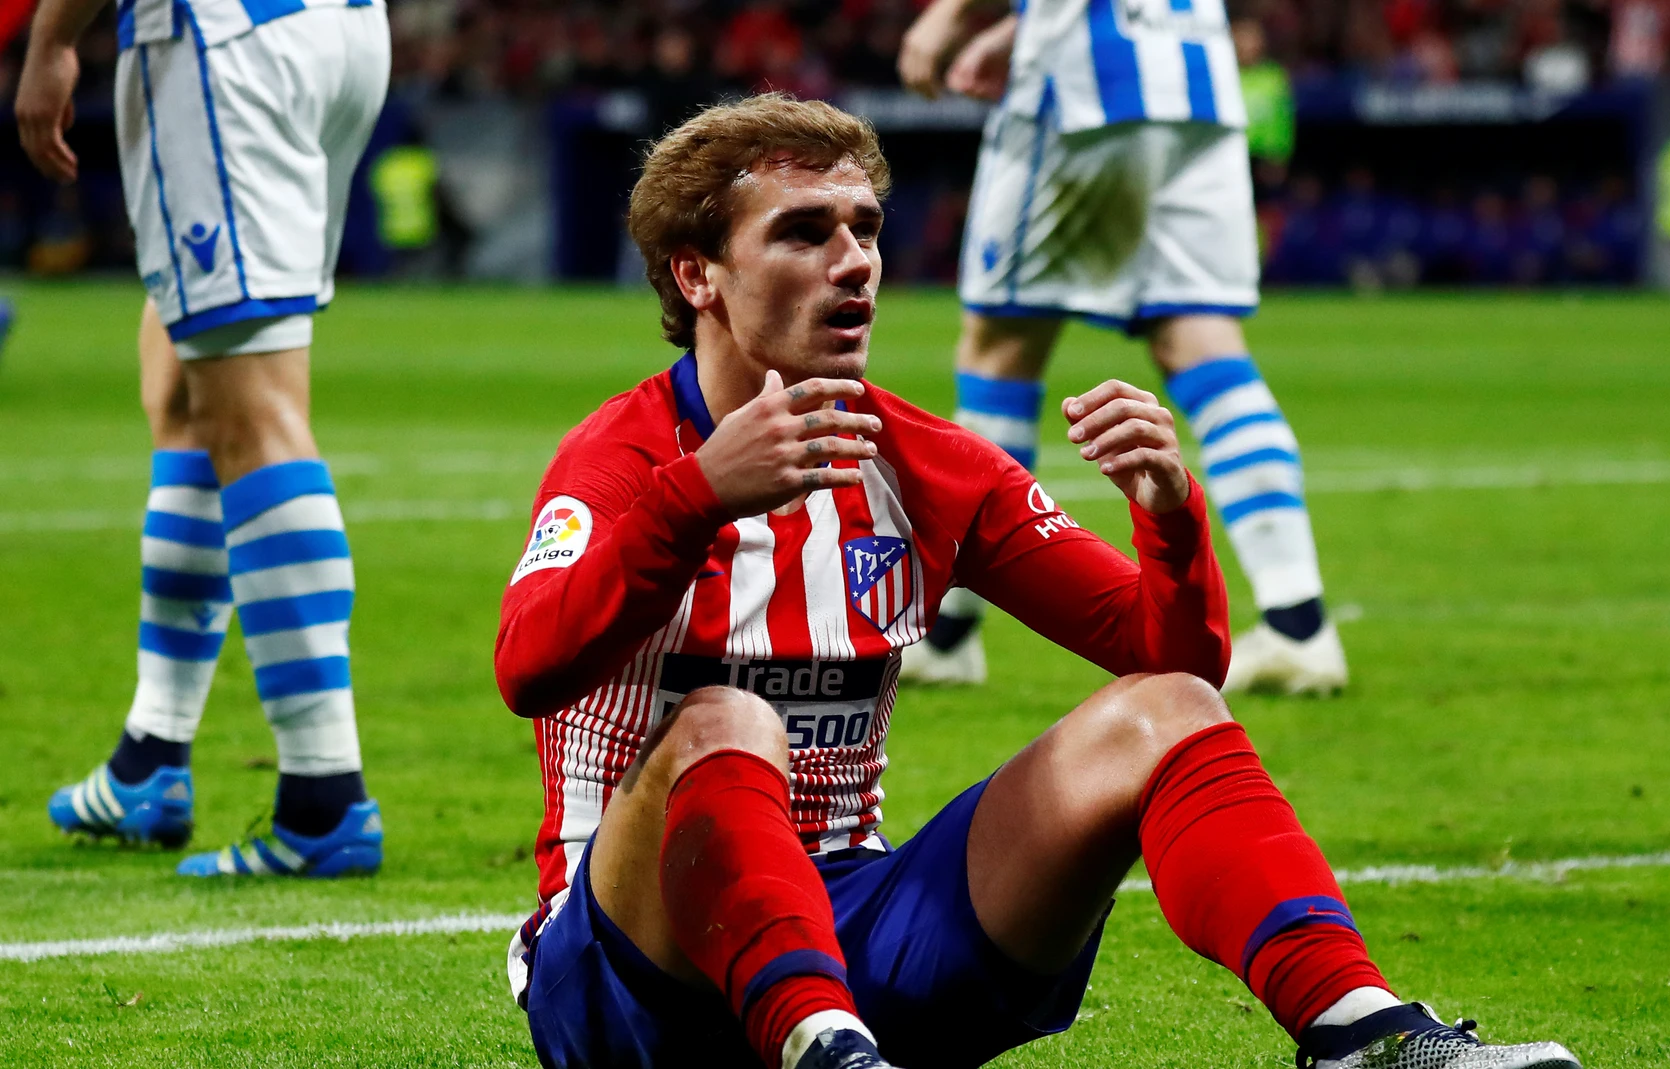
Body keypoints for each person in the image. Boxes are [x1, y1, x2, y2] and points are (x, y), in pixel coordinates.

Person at [494, 95, 1581, 1069]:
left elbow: (1174, 673)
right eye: (804, 231)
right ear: (698, 276)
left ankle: (1360, 1033)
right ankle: (825, 1052)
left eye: (864, 227)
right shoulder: (622, 459)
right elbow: (529, 667)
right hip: (629, 977)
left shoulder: (925, 464)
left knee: (1163, 715)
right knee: (725, 720)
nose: (855, 260)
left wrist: (1168, 516)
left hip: (851, 931)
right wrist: (694, 498)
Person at [19, 0, 389, 876]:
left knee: (249, 408)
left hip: (223, 44)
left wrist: (50, 42)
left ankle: (322, 793)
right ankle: (152, 753)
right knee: (184, 382)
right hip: (342, 31)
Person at [896, 0, 1347, 695]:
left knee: (1000, 348)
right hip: (1199, 84)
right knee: (1203, 342)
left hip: (1086, 91)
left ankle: (948, 635)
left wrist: (947, 19)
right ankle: (1299, 623)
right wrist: (1017, 28)